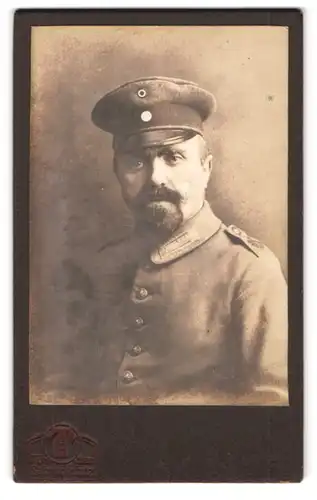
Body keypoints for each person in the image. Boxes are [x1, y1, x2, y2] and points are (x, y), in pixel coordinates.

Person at [90, 76, 288, 405]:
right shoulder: (100, 266)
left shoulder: (249, 271)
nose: (155, 178)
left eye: (173, 157)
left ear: (205, 168)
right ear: (116, 171)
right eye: (136, 161)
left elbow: (273, 408)